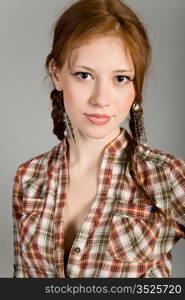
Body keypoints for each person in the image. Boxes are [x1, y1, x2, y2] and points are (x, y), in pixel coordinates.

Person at [12, 0, 185, 278]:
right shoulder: (29, 178)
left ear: (136, 84)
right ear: (56, 74)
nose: (101, 99)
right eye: (84, 75)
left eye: (121, 78)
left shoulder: (166, 176)